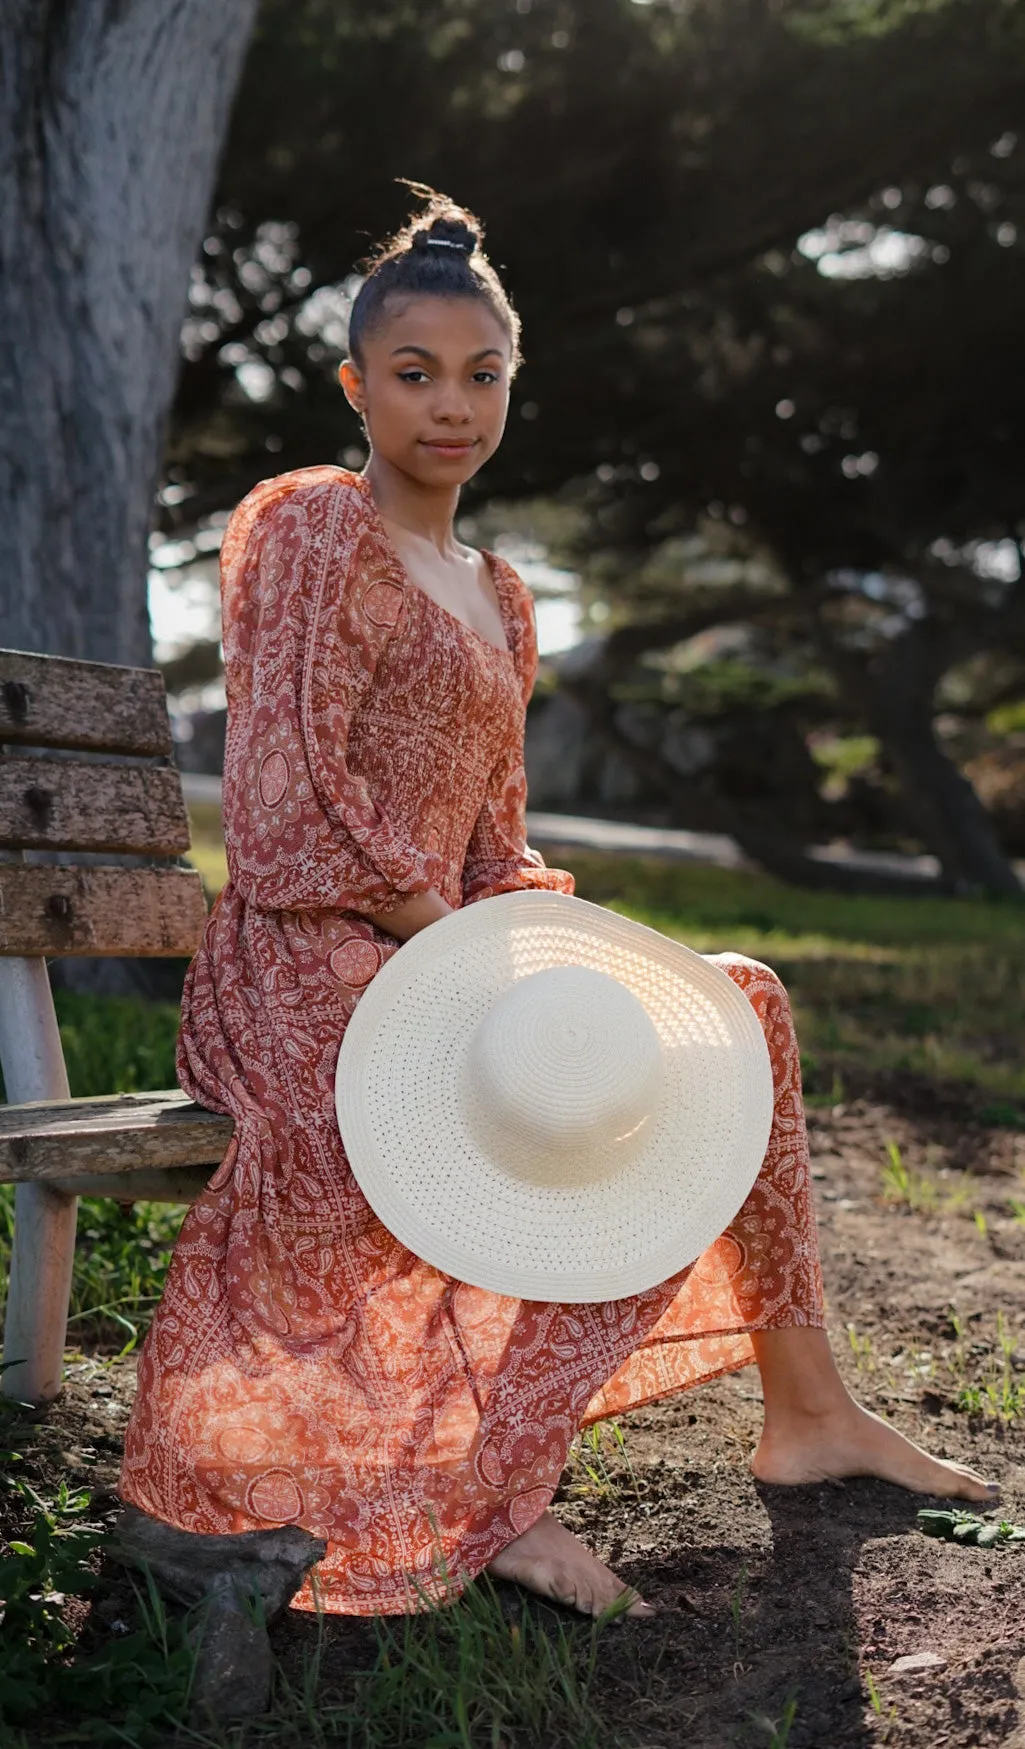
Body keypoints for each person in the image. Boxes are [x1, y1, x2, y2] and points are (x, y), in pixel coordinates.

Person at [119, 189, 997, 1622]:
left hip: (452, 948)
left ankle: (812, 1407)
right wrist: (448, 941)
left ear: (513, 385)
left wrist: (545, 948)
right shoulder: (314, 528)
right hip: (302, 954)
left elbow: (496, 841)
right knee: (435, 1095)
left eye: (482, 375)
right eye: (414, 375)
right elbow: (277, 802)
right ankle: (475, 1498)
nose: (449, 405)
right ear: (356, 385)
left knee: (731, 1009)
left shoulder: (503, 594)